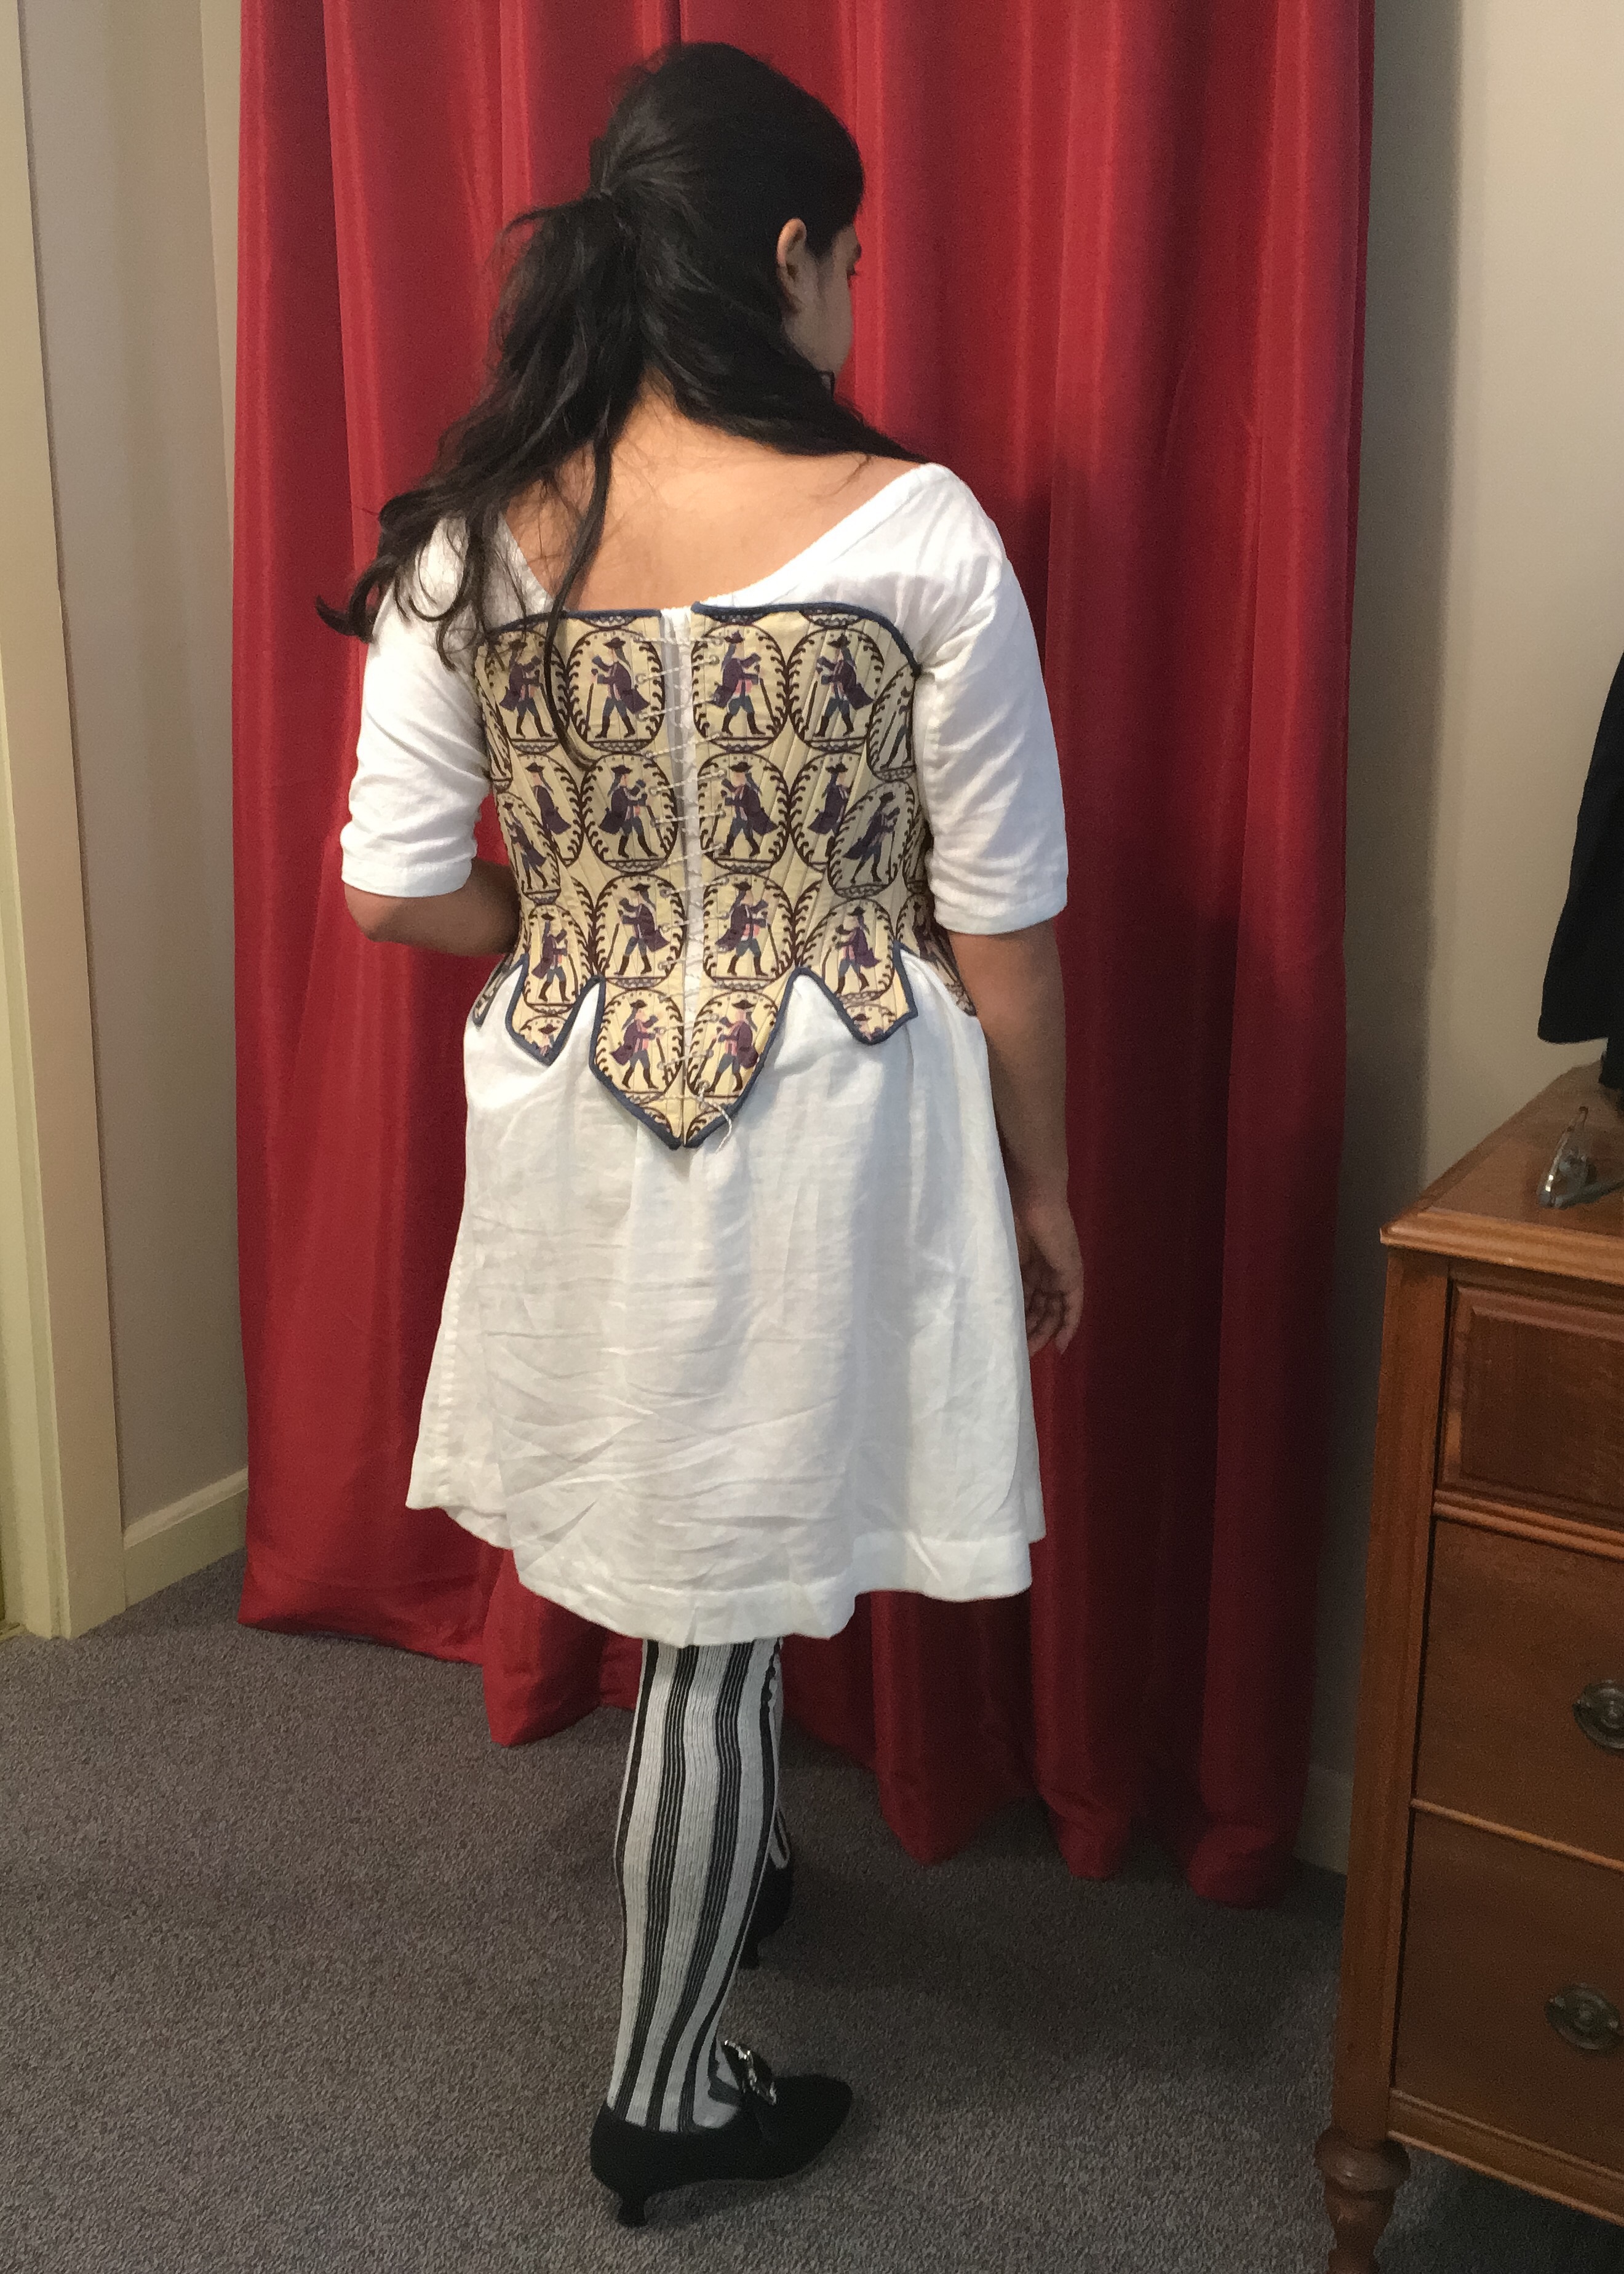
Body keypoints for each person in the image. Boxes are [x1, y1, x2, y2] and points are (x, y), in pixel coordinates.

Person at [326, 41, 1078, 2229]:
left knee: (697, 1570)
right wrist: (1046, 1182)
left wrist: (574, 930)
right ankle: (664, 2096)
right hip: (829, 1114)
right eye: (846, 263)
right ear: (789, 253)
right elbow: (1002, 916)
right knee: (718, 1617)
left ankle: (726, 1869)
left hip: (577, 1106)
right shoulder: (917, 530)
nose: (850, 301)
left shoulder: (475, 530)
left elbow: (391, 888)